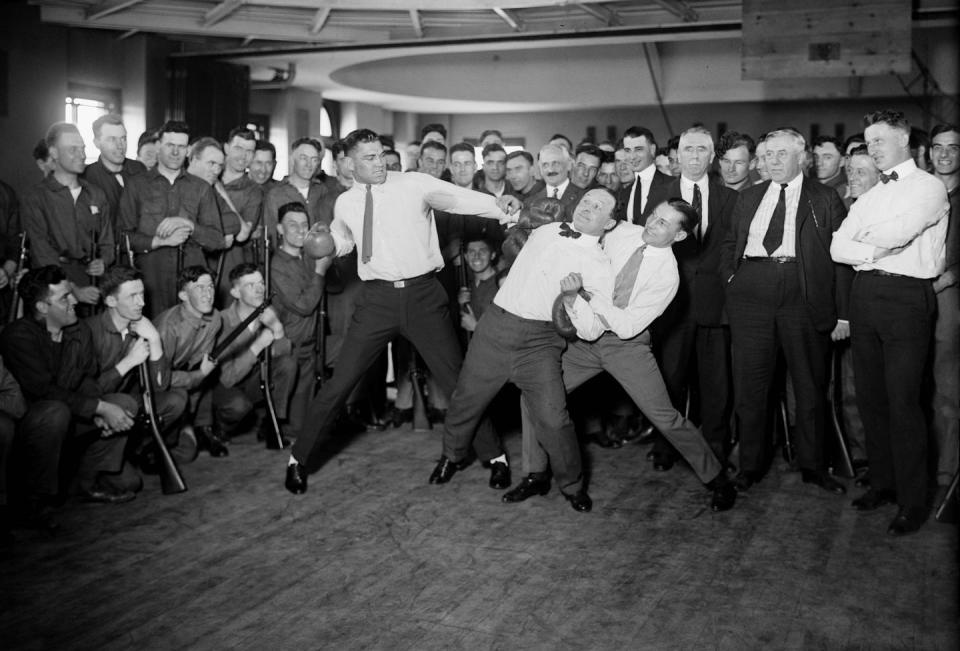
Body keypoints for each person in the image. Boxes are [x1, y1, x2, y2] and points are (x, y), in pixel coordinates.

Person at [284, 128, 519, 495]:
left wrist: (498, 207)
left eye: (381, 155)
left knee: (456, 379)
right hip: (377, 300)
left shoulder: (413, 184)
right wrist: (329, 242)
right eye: (369, 158)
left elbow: (457, 199)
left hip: (424, 296)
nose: (380, 163)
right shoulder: (345, 202)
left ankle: (495, 457)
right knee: (340, 382)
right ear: (349, 163)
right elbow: (346, 240)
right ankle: (298, 459)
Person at [508, 198, 737, 512]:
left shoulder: (667, 276)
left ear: (679, 236)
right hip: (586, 338)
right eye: (654, 215)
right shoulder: (622, 232)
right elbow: (583, 222)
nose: (652, 224)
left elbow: (628, 326)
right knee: (534, 392)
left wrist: (588, 296)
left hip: (625, 345)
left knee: (665, 417)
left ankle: (717, 479)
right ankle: (536, 473)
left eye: (663, 223)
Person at [831, 110, 949, 536]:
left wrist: (865, 239)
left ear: (904, 141)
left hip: (906, 298)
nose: (872, 148)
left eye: (879, 140)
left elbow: (900, 233)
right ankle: (883, 482)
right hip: (866, 296)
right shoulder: (871, 194)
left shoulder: (929, 186)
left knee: (903, 402)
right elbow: (836, 245)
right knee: (871, 398)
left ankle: (913, 501)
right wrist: (868, 251)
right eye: (868, 140)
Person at [720, 127, 850, 495]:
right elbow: (731, 242)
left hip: (802, 293)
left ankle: (813, 465)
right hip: (751, 292)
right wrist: (733, 280)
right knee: (751, 386)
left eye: (780, 154)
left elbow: (840, 261)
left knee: (809, 386)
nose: (771, 162)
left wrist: (842, 314)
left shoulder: (824, 198)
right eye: (766, 155)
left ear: (801, 157)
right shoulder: (748, 197)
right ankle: (749, 466)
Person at [0, 266, 143, 507]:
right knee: (55, 412)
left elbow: (86, 379)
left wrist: (99, 412)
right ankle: (35, 503)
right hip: (30, 424)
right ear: (42, 307)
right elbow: (42, 391)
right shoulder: (18, 337)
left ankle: (86, 482)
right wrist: (96, 408)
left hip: (71, 413)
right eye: (64, 297)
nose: (74, 301)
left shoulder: (79, 330)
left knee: (124, 405)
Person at [647, 126, 739, 469]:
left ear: (712, 157)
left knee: (716, 384)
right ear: (678, 155)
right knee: (669, 381)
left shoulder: (730, 197)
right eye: (689, 149)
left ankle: (714, 447)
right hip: (671, 306)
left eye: (703, 150)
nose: (695, 156)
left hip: (716, 306)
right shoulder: (661, 194)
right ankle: (665, 446)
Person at [84, 265, 189, 472]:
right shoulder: (88, 332)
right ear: (111, 301)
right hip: (96, 411)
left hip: (127, 404)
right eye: (132, 296)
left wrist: (155, 339)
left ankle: (136, 448)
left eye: (141, 294)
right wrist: (129, 362)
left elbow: (161, 387)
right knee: (127, 484)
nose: (141, 302)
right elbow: (87, 393)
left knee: (176, 399)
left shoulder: (140, 325)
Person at [119, 120, 226, 316]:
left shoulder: (201, 187)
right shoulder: (136, 185)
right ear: (158, 146)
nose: (176, 152)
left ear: (188, 150)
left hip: (192, 280)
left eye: (181, 146)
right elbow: (123, 236)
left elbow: (217, 240)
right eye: (170, 145)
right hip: (151, 278)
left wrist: (189, 225)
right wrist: (157, 241)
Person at [22, 122, 113, 308]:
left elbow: (108, 242)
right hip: (56, 287)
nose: (81, 155)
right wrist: (74, 290)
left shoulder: (96, 194)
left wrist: (103, 261)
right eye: (73, 149)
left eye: (83, 148)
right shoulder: (36, 197)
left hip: (95, 283)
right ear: (54, 153)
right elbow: (42, 254)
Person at [214, 263, 296, 448]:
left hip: (250, 379)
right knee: (238, 406)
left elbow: (285, 354)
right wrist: (257, 346)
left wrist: (277, 328)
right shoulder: (222, 321)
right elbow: (227, 379)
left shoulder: (267, 312)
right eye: (250, 285)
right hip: (224, 386)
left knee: (287, 364)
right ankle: (219, 428)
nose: (260, 289)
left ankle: (271, 422)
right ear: (235, 292)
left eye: (261, 283)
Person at [270, 202, 332, 442]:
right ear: (279, 229)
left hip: (309, 344)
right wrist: (320, 272)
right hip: (290, 344)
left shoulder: (309, 256)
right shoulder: (277, 265)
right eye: (292, 225)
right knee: (291, 424)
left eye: (304, 225)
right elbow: (304, 306)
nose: (298, 230)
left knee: (302, 424)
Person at [154, 266, 228, 457]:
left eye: (210, 286)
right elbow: (160, 380)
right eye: (199, 288)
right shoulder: (167, 327)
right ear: (183, 295)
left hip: (182, 384)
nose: (208, 294)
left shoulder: (215, 318)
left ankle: (198, 427)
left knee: (187, 453)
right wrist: (199, 375)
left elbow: (198, 366)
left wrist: (200, 375)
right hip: (152, 387)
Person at [929, 123, 960, 495]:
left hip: (947, 294)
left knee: (947, 385)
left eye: (953, 147)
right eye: (938, 147)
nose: (945, 154)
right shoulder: (921, 191)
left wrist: (950, 278)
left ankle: (946, 469)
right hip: (912, 293)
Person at [82, 114, 147, 252]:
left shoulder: (139, 169)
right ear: (97, 142)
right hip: (105, 256)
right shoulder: (86, 177)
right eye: (112, 139)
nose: (120, 145)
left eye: (123, 139)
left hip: (139, 251)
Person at [262, 138, 330, 236]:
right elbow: (270, 235)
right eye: (303, 158)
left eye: (314, 159)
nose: (309, 164)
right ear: (292, 160)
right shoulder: (276, 195)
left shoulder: (322, 191)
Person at [616, 126, 672, 224]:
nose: (632, 156)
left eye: (638, 149)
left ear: (652, 150)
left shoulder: (673, 185)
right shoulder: (624, 193)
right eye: (628, 150)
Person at [524, 143, 585, 222]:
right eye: (545, 165)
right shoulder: (530, 203)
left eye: (555, 163)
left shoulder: (584, 198)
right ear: (540, 170)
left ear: (569, 165)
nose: (550, 170)